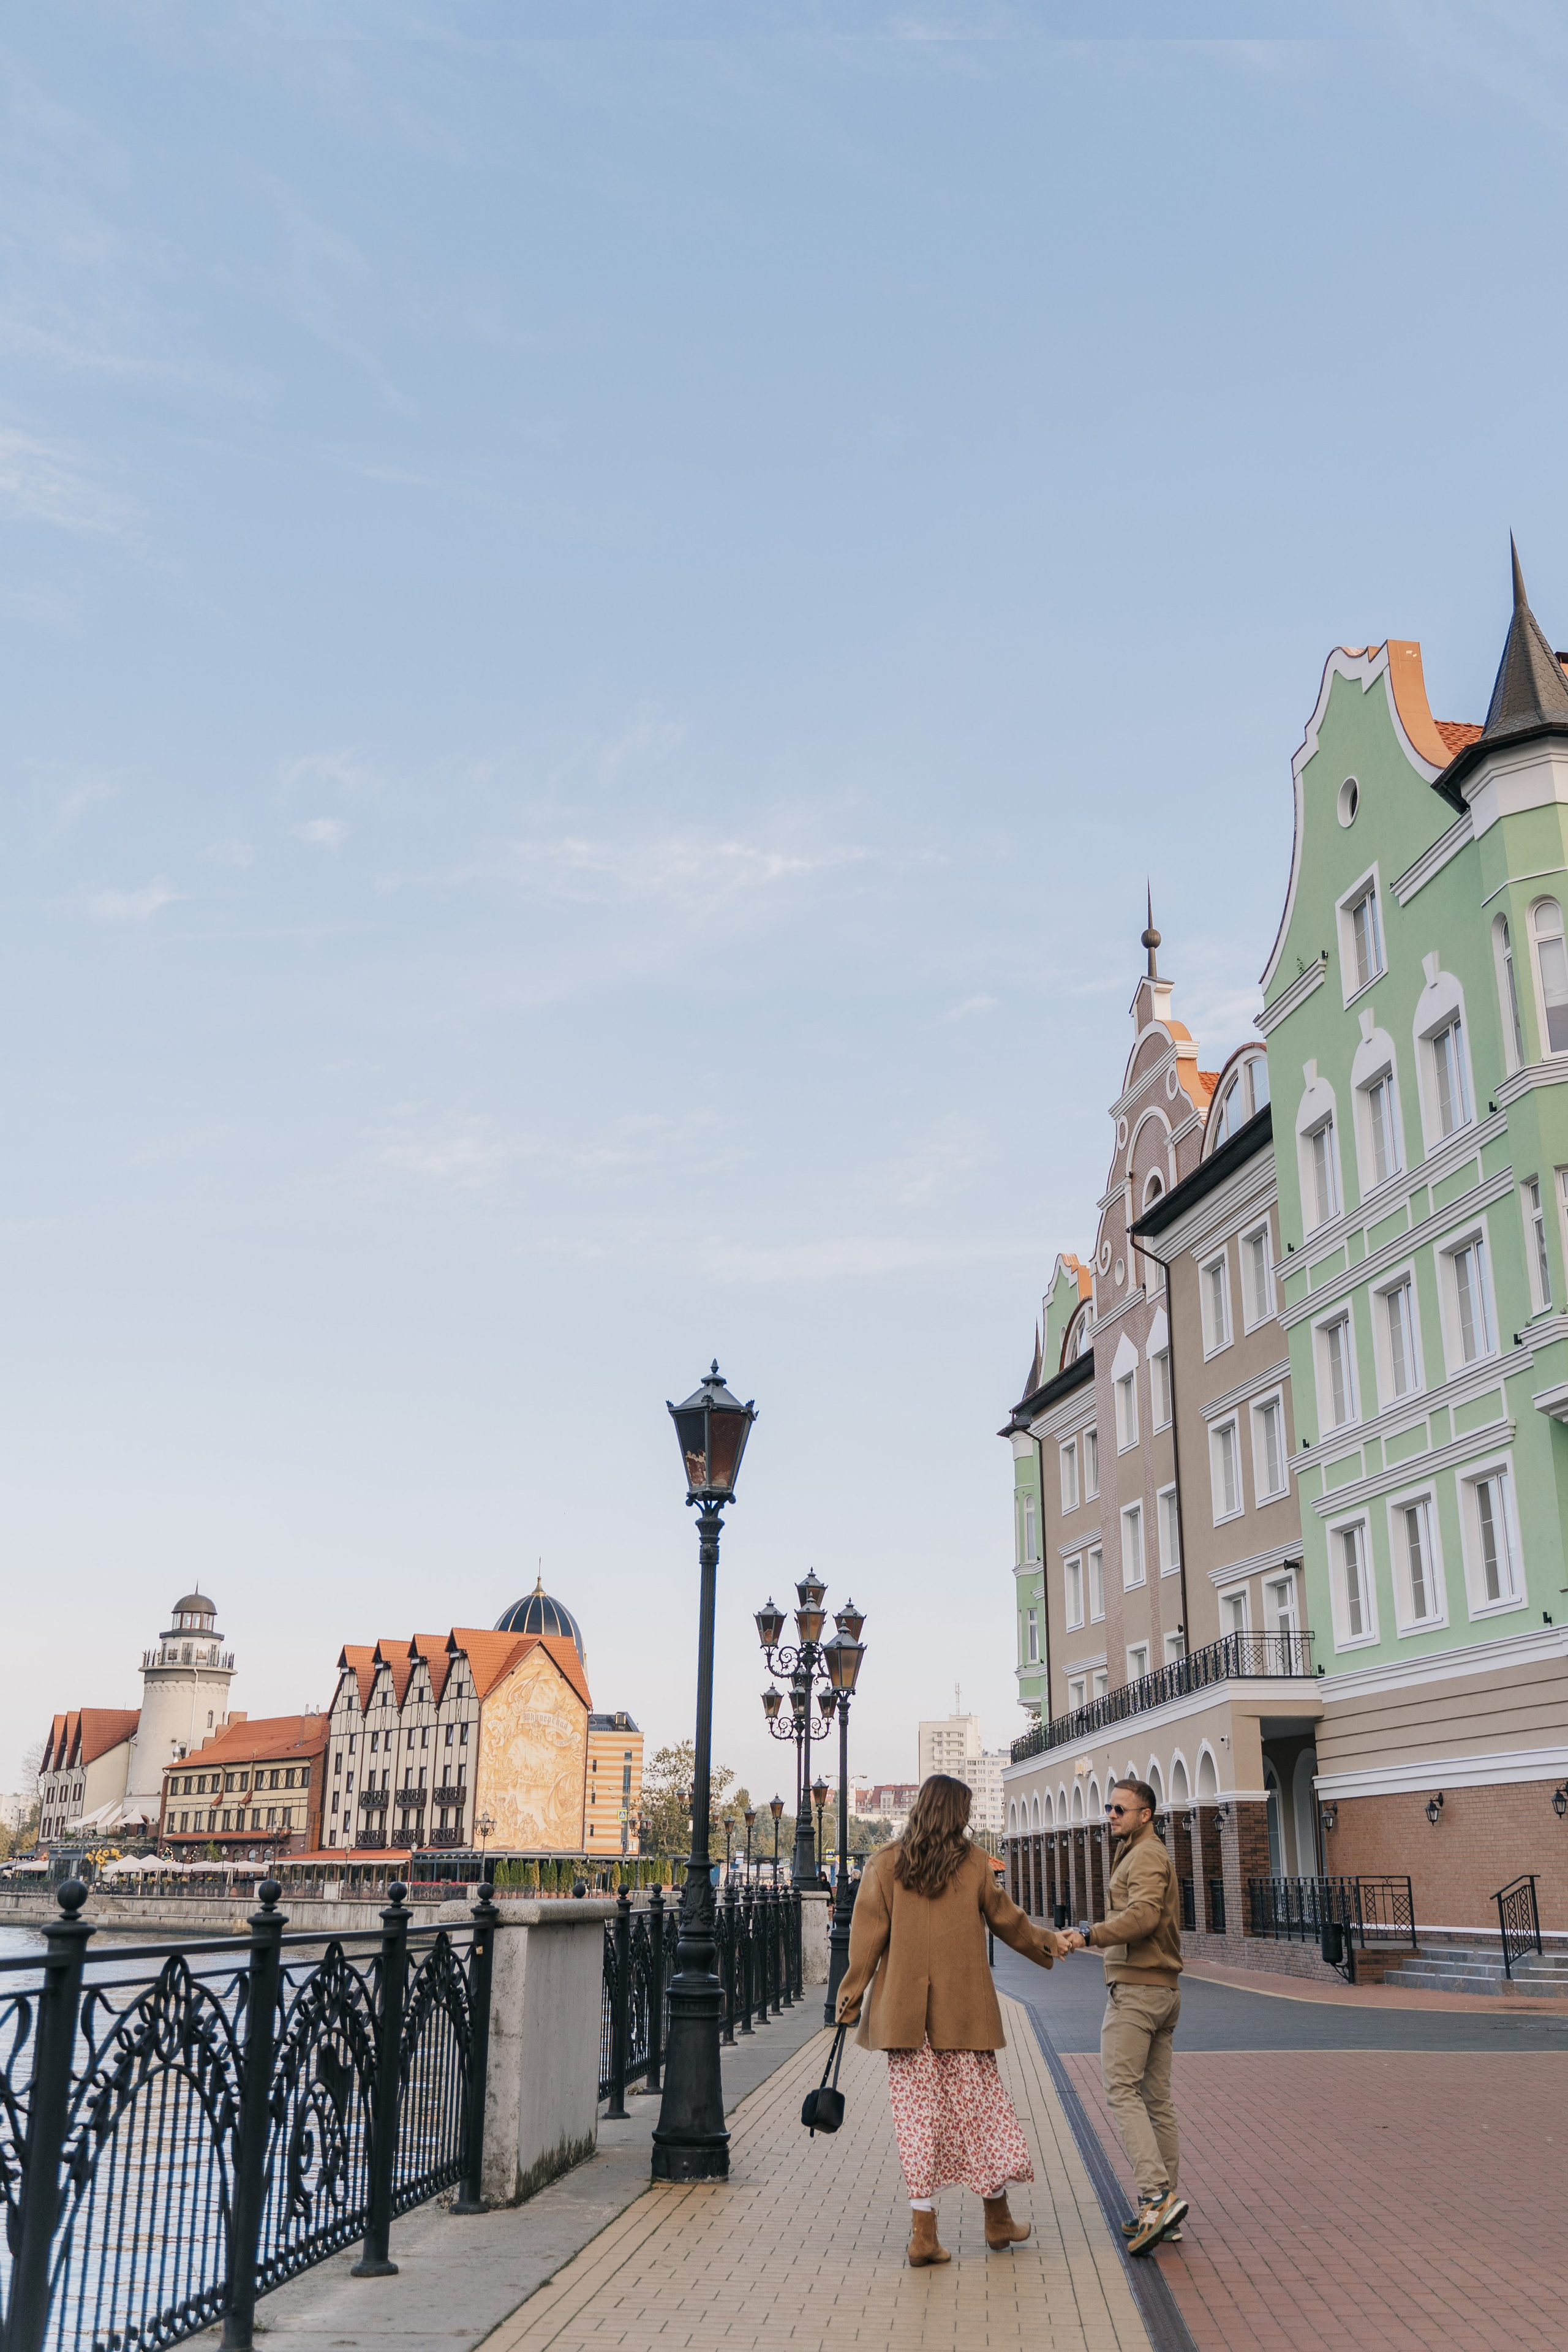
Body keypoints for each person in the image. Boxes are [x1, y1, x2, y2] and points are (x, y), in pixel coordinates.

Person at [834, 1773, 1068, 2267]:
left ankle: (925, 2233)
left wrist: (850, 1997)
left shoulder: (885, 1865)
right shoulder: (977, 1865)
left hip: (904, 2019)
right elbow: (1009, 1922)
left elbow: (866, 1941)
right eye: (965, 1809)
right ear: (956, 1813)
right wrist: (1050, 1943)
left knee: (919, 2124)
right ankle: (997, 2218)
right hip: (963, 2016)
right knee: (982, 2116)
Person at [1061, 1776, 1186, 2255]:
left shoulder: (1148, 1855)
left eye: (1120, 1809)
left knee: (1121, 2088)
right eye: (1109, 1808)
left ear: (1145, 1814)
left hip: (1138, 1991)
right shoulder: (1139, 1852)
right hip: (1160, 1991)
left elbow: (1144, 1918)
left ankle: (1156, 2196)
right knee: (1156, 2100)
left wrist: (1089, 1935)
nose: (1110, 1815)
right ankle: (1164, 2212)